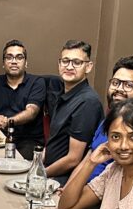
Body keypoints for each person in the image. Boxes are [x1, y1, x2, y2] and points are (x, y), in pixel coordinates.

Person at [43, 40, 104, 184]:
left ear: (88, 67)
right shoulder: (64, 94)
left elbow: (73, 159)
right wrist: (36, 164)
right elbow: (54, 141)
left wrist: (39, 174)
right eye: (65, 61)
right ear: (59, 64)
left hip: (65, 180)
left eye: (77, 62)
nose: (69, 66)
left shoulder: (87, 102)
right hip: (49, 172)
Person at [0, 40, 47, 158]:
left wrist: (6, 122)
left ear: (26, 63)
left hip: (28, 141)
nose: (14, 61)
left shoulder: (37, 83)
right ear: (3, 63)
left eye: (19, 57)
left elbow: (31, 112)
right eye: (9, 57)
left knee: (14, 163)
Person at [87, 55, 133, 181]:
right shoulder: (107, 120)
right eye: (115, 83)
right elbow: (89, 158)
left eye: (128, 85)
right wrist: (69, 187)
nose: (119, 89)